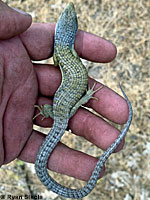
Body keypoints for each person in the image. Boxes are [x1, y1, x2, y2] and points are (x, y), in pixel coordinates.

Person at [0, 0, 129, 181]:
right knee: (65, 112)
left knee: (62, 112)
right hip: (63, 105)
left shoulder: (59, 52)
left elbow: (56, 63)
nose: (69, 10)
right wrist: (85, 98)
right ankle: (55, 109)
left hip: (62, 105)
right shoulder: (67, 50)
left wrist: (83, 99)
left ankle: (50, 110)